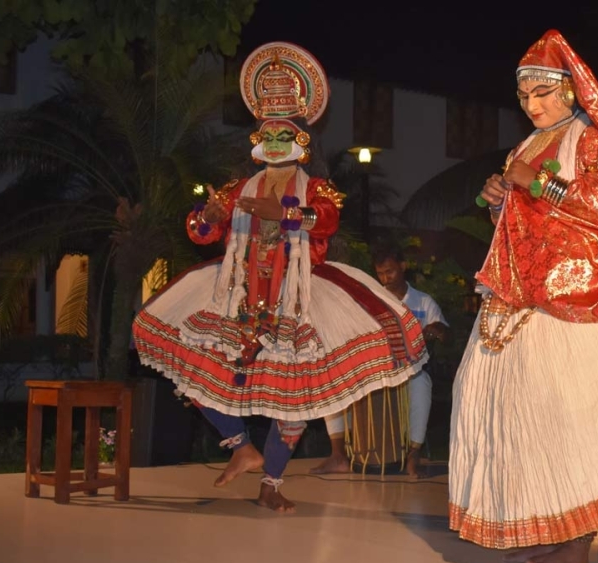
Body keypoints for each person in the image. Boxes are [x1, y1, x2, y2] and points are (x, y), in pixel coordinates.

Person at [131, 42, 427, 513]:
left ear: (300, 139)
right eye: (265, 133)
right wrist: (207, 215)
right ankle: (240, 447)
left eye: (281, 134)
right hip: (238, 296)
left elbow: (325, 220)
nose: (271, 142)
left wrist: (285, 213)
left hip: (297, 298)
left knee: (293, 402)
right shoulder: (237, 189)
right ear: (257, 138)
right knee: (190, 376)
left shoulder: (317, 188)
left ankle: (271, 482)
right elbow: (204, 233)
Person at [449, 30, 598, 563]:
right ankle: (543, 521)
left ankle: (579, 537)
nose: (533, 104)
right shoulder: (524, 147)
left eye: (543, 93)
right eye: (525, 97)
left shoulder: (595, 141)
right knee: (512, 410)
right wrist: (496, 199)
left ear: (570, 91)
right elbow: (516, 224)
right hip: (516, 298)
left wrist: (538, 185)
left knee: (572, 415)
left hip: (577, 301)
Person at [314, 244, 449, 478]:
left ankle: (413, 454)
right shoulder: (372, 299)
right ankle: (338, 454)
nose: (385, 279)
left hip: (410, 370)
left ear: (403, 267)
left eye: (390, 272)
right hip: (375, 370)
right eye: (381, 273)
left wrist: (435, 329)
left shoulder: (423, 301)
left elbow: (445, 332)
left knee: (421, 383)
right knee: (334, 378)